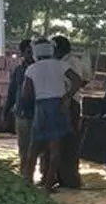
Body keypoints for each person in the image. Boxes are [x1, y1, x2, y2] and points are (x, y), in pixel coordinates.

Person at [22, 39, 84, 190]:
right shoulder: (61, 65)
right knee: (55, 149)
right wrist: (67, 96)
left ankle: (27, 182)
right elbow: (77, 81)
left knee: (33, 148)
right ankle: (48, 186)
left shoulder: (31, 68)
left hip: (41, 106)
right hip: (58, 106)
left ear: (36, 52)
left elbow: (26, 94)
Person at [53, 35, 89, 189]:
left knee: (68, 143)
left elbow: (79, 81)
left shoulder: (70, 62)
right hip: (69, 102)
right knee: (63, 142)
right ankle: (63, 177)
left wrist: (67, 96)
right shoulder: (71, 61)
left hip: (69, 104)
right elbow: (86, 78)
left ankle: (70, 179)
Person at [6, 39, 35, 175]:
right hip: (22, 114)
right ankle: (25, 175)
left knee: (40, 147)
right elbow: (12, 92)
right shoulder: (18, 70)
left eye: (33, 51)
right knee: (23, 147)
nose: (31, 54)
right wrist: (6, 110)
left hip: (38, 113)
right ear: (22, 53)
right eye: (28, 52)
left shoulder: (39, 69)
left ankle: (42, 175)